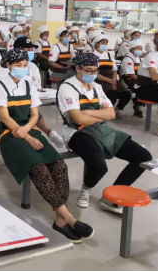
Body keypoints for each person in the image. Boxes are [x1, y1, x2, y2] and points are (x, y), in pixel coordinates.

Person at [0, 48, 94, 244]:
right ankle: (68, 217)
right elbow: (4, 117)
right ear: (8, 66)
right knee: (38, 168)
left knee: (59, 165)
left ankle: (59, 220)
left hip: (28, 129)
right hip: (9, 134)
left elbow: (35, 114)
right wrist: (26, 136)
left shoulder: (28, 85)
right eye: (18, 65)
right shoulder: (0, 87)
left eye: (25, 65)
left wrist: (28, 130)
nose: (22, 69)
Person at [57, 52, 152, 214]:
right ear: (78, 68)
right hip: (76, 132)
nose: (93, 73)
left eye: (95, 70)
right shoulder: (67, 87)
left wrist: (88, 113)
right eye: (89, 70)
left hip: (101, 129)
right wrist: (97, 115)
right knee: (99, 166)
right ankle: (86, 188)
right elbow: (77, 120)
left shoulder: (97, 87)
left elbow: (111, 114)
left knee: (143, 157)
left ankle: (112, 197)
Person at [0, 37, 65, 148]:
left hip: (28, 101)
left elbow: (36, 86)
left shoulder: (32, 66)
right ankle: (47, 132)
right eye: (27, 50)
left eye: (31, 50)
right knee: (25, 110)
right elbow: (3, 88)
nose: (30, 52)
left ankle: (49, 133)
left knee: (32, 110)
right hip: (10, 106)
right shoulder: (4, 69)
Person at [90, 33, 132, 119]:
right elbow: (93, 73)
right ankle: (106, 113)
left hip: (111, 79)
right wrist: (109, 81)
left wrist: (114, 80)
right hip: (99, 79)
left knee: (127, 94)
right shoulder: (92, 56)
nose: (104, 44)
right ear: (97, 44)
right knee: (112, 94)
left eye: (106, 43)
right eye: (102, 42)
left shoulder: (108, 55)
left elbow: (114, 69)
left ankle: (116, 110)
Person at [119, 39, 145, 118]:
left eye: (141, 49)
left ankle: (138, 109)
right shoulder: (128, 58)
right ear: (133, 49)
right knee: (140, 89)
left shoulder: (138, 58)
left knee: (144, 88)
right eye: (138, 49)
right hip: (127, 79)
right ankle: (137, 108)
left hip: (136, 78)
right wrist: (141, 81)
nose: (140, 51)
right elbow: (130, 74)